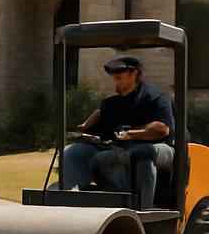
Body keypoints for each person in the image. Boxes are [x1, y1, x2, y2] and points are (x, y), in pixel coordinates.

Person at [61, 55, 175, 209]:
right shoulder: (111, 104)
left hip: (160, 149)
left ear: (134, 74)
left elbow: (162, 129)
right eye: (114, 78)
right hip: (121, 149)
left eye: (119, 78)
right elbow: (102, 131)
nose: (115, 81)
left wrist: (131, 134)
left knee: (142, 152)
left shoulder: (155, 97)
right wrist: (85, 131)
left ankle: (143, 208)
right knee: (73, 152)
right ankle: (69, 199)